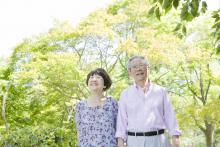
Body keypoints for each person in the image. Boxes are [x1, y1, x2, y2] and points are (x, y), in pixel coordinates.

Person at [116, 55, 181, 147]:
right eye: (134, 67)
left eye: (142, 65)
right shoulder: (125, 94)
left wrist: (175, 137)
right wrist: (120, 141)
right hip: (134, 141)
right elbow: (122, 121)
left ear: (148, 69)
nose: (138, 69)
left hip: (159, 140)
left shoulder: (161, 91)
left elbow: (170, 116)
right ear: (130, 72)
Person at [75, 68, 118, 147]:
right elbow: (79, 132)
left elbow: (120, 130)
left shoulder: (112, 103)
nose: (94, 79)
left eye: (98, 77)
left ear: (105, 84)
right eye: (91, 77)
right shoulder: (80, 106)